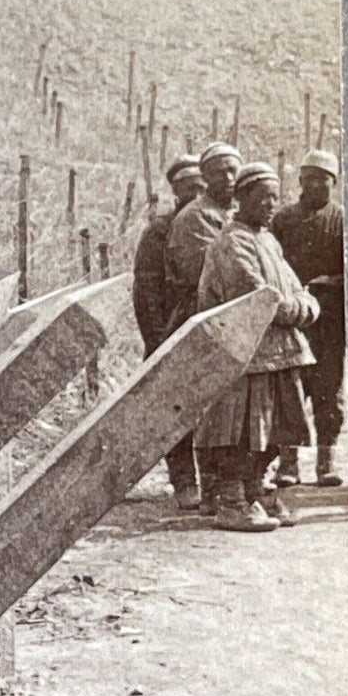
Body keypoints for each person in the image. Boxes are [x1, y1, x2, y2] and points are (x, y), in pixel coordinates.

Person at [194, 162, 319, 532]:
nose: (270, 204)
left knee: (278, 426)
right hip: (243, 354)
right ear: (241, 198)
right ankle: (231, 498)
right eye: (262, 196)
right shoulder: (231, 242)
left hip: (278, 352)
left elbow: (297, 291)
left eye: (275, 197)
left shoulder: (267, 240)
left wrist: (301, 305)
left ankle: (254, 488)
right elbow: (259, 297)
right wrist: (301, 308)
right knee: (240, 428)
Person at [164, 142, 242, 511]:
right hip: (200, 322)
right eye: (219, 171)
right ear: (205, 177)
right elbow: (209, 278)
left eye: (233, 170)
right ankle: (194, 483)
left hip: (235, 323)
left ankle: (227, 483)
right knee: (195, 405)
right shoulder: (194, 218)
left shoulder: (242, 213)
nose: (228, 178)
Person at [133, 153, 206, 507]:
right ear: (176, 192)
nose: (196, 192)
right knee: (175, 409)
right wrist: (159, 339)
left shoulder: (214, 224)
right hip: (168, 333)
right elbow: (146, 290)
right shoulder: (159, 232)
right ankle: (183, 480)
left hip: (204, 332)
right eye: (188, 187)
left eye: (200, 185)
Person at [272, 149, 345, 487]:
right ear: (300, 181)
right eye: (309, 179)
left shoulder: (343, 220)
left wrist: (329, 283)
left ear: (334, 183)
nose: (316, 186)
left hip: (330, 321)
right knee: (290, 388)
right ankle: (287, 463)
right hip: (292, 321)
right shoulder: (283, 219)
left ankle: (326, 461)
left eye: (324, 180)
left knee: (328, 388)